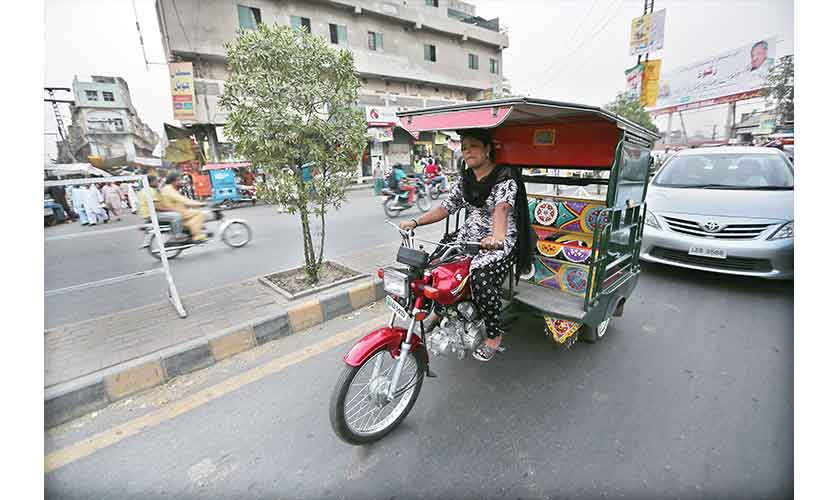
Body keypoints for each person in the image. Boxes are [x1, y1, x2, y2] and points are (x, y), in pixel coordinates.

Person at [399, 128, 532, 361]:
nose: (467, 151)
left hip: (499, 241)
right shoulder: (465, 179)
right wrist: (415, 221)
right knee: (434, 266)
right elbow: (445, 208)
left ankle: (493, 334)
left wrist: (497, 238)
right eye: (463, 147)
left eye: (473, 146)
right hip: (467, 237)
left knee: (480, 277)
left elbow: (501, 208)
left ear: (488, 149)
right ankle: (439, 313)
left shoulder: (505, 177)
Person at [160, 172, 208, 242]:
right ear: (173, 181)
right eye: (178, 180)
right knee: (199, 213)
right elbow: (183, 200)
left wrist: (194, 205)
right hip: (177, 211)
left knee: (194, 212)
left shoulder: (170, 188)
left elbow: (182, 200)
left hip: (178, 210)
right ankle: (197, 235)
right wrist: (199, 204)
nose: (181, 182)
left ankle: (192, 230)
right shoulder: (169, 190)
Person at [138, 176, 186, 242]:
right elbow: (158, 207)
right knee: (177, 216)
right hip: (152, 214)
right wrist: (172, 209)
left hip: (148, 214)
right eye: (156, 181)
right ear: (151, 182)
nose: (158, 183)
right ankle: (177, 235)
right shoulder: (150, 191)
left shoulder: (145, 190)